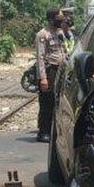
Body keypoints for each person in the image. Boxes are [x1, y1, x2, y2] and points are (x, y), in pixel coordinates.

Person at [35, 8, 66, 143]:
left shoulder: (60, 33)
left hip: (59, 70)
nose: (61, 21)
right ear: (51, 19)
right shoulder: (42, 35)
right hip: (49, 72)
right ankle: (43, 132)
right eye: (58, 19)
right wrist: (43, 78)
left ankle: (54, 129)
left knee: (57, 102)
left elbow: (63, 50)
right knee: (46, 103)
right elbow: (40, 57)